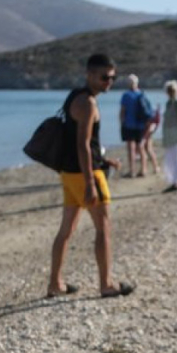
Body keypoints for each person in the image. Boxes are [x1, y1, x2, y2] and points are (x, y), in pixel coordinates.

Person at [47, 53, 134, 299]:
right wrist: (90, 183)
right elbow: (83, 145)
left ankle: (55, 283)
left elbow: (83, 142)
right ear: (89, 75)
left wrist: (104, 160)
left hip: (69, 171)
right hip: (86, 174)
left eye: (113, 77)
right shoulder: (88, 103)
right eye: (104, 77)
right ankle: (106, 284)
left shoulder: (75, 97)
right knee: (103, 226)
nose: (109, 82)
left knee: (67, 229)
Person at [119, 74, 148, 177]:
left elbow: (122, 111)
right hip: (140, 125)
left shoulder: (126, 95)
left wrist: (121, 123)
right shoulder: (142, 94)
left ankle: (132, 171)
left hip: (129, 124)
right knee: (141, 147)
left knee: (131, 148)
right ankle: (143, 169)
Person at [141, 105, 161, 175]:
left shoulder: (152, 120)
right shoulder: (152, 117)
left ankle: (153, 167)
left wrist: (144, 139)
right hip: (148, 131)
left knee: (147, 149)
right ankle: (155, 167)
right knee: (148, 149)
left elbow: (150, 130)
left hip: (148, 132)